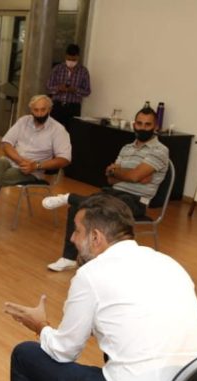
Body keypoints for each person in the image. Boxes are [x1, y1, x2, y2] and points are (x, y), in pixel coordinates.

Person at [4, 193, 197, 381]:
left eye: (77, 230)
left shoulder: (91, 275)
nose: (72, 238)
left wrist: (40, 326)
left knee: (25, 355)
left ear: (95, 237)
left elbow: (64, 351)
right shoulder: (170, 264)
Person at [42, 107, 169, 271]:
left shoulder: (160, 150)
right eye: (139, 123)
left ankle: (69, 197)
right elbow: (111, 177)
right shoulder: (127, 148)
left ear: (155, 126)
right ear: (134, 124)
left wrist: (123, 173)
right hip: (113, 193)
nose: (143, 128)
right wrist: (128, 174)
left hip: (136, 201)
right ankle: (69, 258)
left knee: (98, 210)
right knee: (78, 209)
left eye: (147, 124)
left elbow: (134, 176)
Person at [0, 95, 72, 232]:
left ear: (50, 109)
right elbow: (6, 143)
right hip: (12, 160)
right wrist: (19, 160)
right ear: (31, 110)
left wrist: (36, 166)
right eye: (36, 110)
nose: (39, 114)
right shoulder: (23, 121)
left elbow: (65, 159)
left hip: (33, 170)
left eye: (43, 110)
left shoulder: (58, 130)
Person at [46, 44, 91, 126]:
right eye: (68, 59)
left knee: (72, 130)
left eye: (73, 60)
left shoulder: (83, 71)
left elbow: (87, 91)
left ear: (78, 57)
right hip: (57, 105)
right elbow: (48, 87)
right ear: (65, 56)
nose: (71, 62)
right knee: (54, 128)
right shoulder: (57, 69)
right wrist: (59, 88)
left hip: (74, 107)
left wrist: (75, 90)